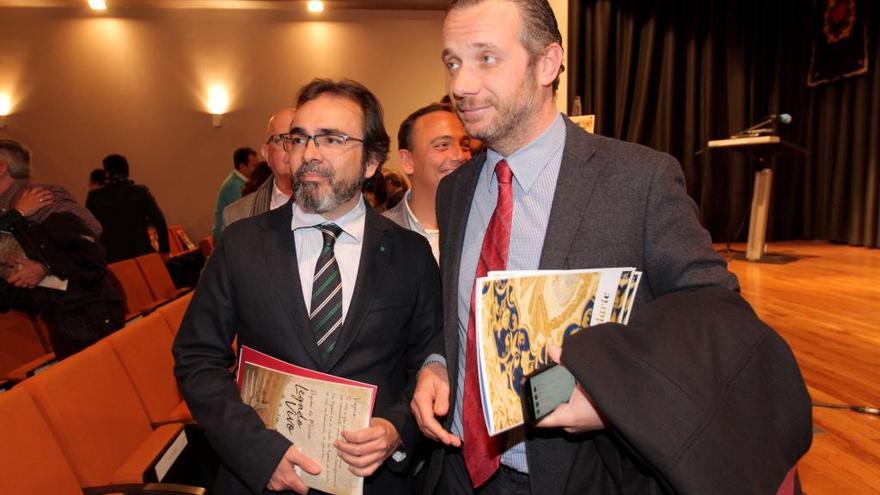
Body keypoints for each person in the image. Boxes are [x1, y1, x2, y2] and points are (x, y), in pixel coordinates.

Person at [410, 1, 812, 494]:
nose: (461, 85)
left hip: (578, 478)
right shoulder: (456, 191)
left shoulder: (638, 180)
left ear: (548, 63)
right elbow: (461, 313)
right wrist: (439, 361)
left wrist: (611, 397)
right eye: (453, 62)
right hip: (456, 471)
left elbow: (715, 316)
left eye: (486, 58)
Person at [173, 78, 443, 495]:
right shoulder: (243, 244)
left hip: (374, 483)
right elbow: (196, 358)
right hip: (262, 483)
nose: (309, 154)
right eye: (299, 139)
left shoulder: (410, 253)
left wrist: (396, 428)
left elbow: (428, 358)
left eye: (332, 139)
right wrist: (258, 452)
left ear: (371, 162)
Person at [0, 140, 124, 358]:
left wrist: (45, 267)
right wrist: (17, 215)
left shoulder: (39, 196)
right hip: (59, 310)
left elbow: (90, 233)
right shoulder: (15, 207)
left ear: (2, 167)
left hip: (86, 307)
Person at [384, 102, 471, 262]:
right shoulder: (378, 234)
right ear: (408, 161)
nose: (459, 156)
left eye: (465, 146)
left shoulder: (486, 227)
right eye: (442, 146)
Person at [86, 154, 169, 263]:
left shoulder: (95, 197)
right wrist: (164, 250)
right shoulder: (140, 192)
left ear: (107, 173)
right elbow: (159, 220)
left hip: (110, 258)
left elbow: (88, 227)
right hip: (140, 254)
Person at [222, 108, 296, 229]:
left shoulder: (334, 206)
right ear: (266, 154)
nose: (293, 148)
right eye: (284, 139)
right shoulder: (238, 216)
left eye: (299, 139)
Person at [212, 146, 259, 240]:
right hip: (224, 238)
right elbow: (245, 214)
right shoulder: (234, 185)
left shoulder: (241, 182)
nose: (257, 169)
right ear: (242, 167)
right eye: (254, 166)